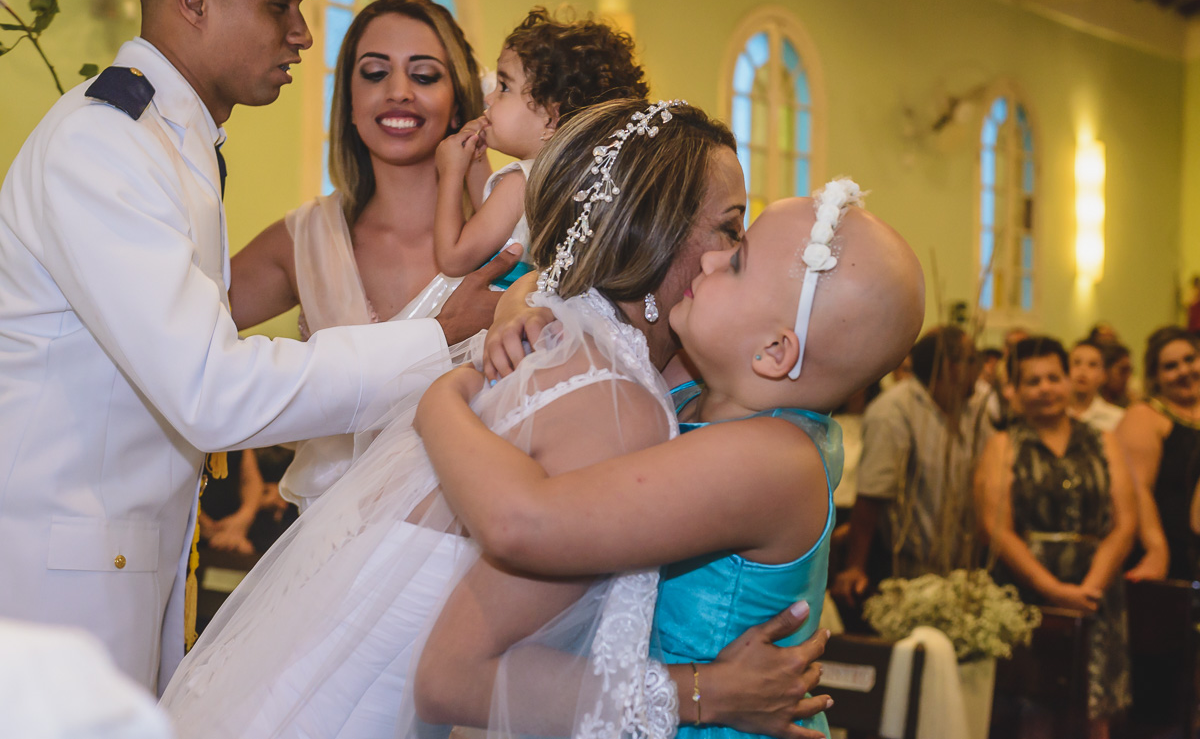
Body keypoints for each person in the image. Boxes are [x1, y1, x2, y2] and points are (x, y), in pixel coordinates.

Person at [160, 100, 838, 738]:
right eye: (729, 228)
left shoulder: (576, 348)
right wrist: (702, 692)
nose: (729, 253)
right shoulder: (614, 406)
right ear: (654, 231)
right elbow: (455, 674)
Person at [0, 0, 516, 694]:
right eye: (280, 6)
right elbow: (210, 388)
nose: (303, 34)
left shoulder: (172, 145)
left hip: (123, 569)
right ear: (195, 1)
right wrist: (435, 335)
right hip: (62, 587)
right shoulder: (104, 143)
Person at [414, 167, 925, 739]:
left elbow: (519, 522)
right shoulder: (699, 387)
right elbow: (560, 285)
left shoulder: (774, 461)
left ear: (775, 351)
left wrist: (438, 405)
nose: (708, 259)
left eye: (736, 261)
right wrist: (518, 313)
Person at [228, 0, 514, 511]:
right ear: (350, 103)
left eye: (425, 76)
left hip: (470, 549)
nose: (399, 92)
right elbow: (180, 344)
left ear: (458, 101)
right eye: (375, 73)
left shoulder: (510, 243)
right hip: (327, 549)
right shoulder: (306, 240)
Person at [976, 337, 1136, 738]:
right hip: (1029, 594)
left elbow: (1125, 522)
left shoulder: (1103, 440)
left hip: (1096, 592)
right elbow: (996, 527)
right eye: (1032, 381)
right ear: (1014, 391)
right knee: (1034, 712)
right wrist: (1052, 589)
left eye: (1054, 377)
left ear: (1069, 382)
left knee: (1093, 708)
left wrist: (1090, 588)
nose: (1045, 388)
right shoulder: (1002, 445)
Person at [434, 8, 648, 288]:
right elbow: (494, 228)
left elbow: (454, 259)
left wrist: (450, 173)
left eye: (504, 86)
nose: (488, 97)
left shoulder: (520, 183)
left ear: (552, 119)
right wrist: (475, 161)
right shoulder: (566, 181)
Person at [830, 325, 992, 608]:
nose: (979, 369)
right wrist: (855, 566)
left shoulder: (972, 410)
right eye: (972, 360)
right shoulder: (893, 410)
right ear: (950, 367)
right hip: (905, 571)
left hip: (962, 569)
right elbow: (872, 494)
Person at [1117, 327, 1200, 581]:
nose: (1184, 371)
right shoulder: (1145, 415)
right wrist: (1156, 548)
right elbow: (1136, 487)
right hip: (1171, 552)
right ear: (1155, 375)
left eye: (1190, 360)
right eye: (1171, 366)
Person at [1068, 339, 1126, 433]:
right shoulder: (1054, 416)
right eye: (1077, 362)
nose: (1083, 370)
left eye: (1092, 365)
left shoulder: (1118, 418)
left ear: (1103, 375)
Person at [1100, 342, 1136, 408]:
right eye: (1123, 370)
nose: (1128, 376)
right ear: (1105, 371)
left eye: (1130, 371)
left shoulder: (1131, 405)